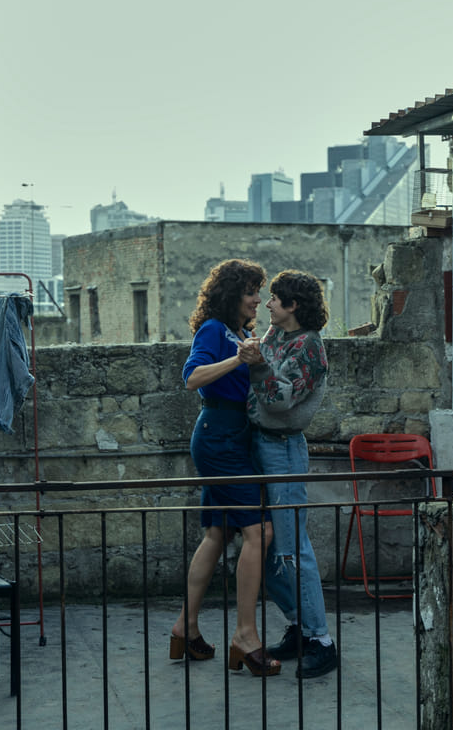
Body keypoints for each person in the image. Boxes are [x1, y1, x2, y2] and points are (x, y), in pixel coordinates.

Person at [170, 258, 281, 677]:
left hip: (231, 437)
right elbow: (192, 377)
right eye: (251, 292)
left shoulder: (241, 333)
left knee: (217, 534)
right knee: (259, 532)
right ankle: (246, 636)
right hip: (219, 437)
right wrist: (238, 359)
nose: (257, 300)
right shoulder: (215, 330)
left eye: (259, 292)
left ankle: (185, 627)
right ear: (232, 294)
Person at [237, 269, 339, 679]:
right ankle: (300, 626)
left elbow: (280, 399)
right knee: (266, 547)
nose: (268, 304)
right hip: (260, 445)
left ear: (293, 305)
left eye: (275, 299)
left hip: (282, 450)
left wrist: (258, 365)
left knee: (291, 549)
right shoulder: (276, 335)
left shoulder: (309, 347)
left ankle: (321, 641)